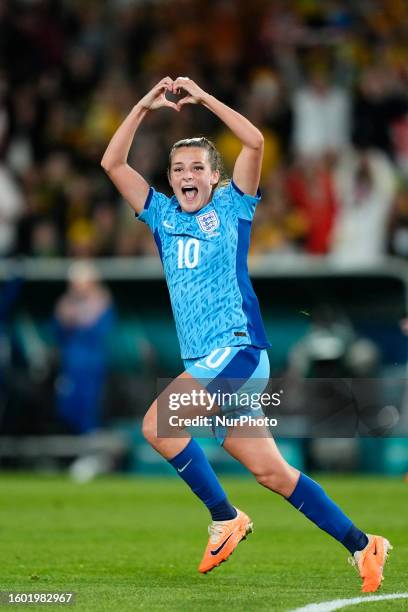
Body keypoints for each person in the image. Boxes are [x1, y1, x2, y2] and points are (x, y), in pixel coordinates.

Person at [101, 76, 391, 592]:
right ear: (170, 179)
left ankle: (225, 517)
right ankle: (363, 545)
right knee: (274, 474)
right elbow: (113, 164)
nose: (186, 176)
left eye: (197, 168)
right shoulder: (163, 215)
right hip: (208, 363)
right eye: (178, 169)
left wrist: (205, 98)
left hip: (236, 351)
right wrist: (144, 103)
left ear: (215, 177)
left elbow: (254, 140)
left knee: (159, 427)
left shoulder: (233, 207)